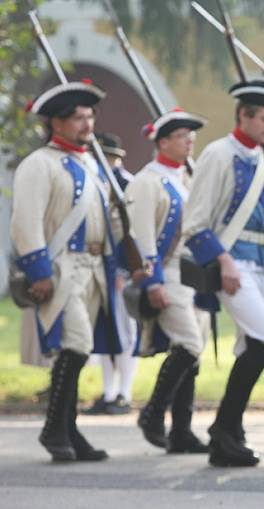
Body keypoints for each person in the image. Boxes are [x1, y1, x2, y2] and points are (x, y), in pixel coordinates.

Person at [183, 78, 264, 466]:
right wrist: (222, 260)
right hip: (233, 261)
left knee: (249, 344)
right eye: (263, 119)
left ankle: (231, 432)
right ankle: (223, 428)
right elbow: (195, 223)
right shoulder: (218, 154)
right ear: (243, 115)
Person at [12, 80, 122, 462]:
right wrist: (39, 270)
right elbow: (25, 223)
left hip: (93, 269)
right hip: (60, 267)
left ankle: (69, 431)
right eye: (78, 117)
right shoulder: (38, 164)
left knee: (79, 348)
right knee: (75, 346)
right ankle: (54, 429)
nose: (87, 123)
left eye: (89, 116)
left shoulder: (90, 163)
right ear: (56, 123)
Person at [130, 108, 209, 453]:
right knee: (189, 344)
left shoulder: (187, 177)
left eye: (191, 135)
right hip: (167, 273)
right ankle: (151, 414)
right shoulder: (147, 181)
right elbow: (142, 235)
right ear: (162, 142)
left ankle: (181, 431)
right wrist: (153, 282)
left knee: (194, 354)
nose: (189, 140)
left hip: (192, 274)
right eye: (181, 136)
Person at [83, 132, 138, 416]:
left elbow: (130, 235)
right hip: (100, 268)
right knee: (105, 333)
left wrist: (125, 270)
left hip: (121, 272)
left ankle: (124, 393)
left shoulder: (127, 185)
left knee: (127, 333)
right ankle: (108, 391)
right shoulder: (96, 184)